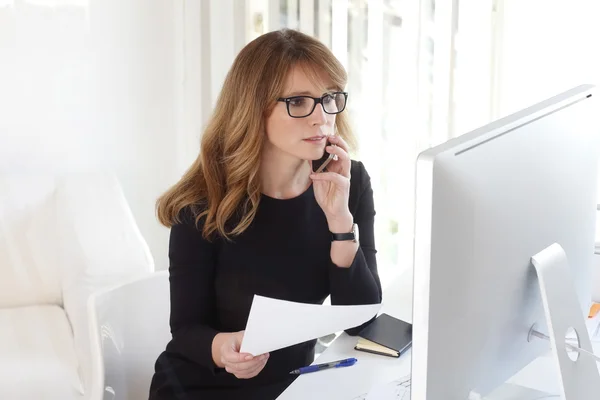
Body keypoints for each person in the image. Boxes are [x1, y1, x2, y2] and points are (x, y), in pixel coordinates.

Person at [149, 28, 381, 400]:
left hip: (294, 385)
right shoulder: (202, 204)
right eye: (299, 102)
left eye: (328, 99)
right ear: (254, 108)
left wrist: (340, 223)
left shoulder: (348, 182)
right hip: (202, 388)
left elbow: (361, 320)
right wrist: (223, 348)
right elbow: (187, 331)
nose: (320, 117)